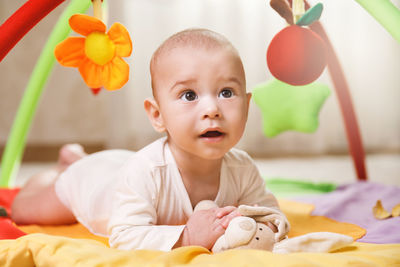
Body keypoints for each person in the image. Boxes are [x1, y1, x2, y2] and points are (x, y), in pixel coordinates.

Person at [11, 28, 289, 251]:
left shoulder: (243, 168)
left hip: (121, 167)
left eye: (226, 92)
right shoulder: (146, 171)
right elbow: (124, 236)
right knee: (24, 209)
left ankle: (77, 157)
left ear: (247, 106)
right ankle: (69, 164)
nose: (212, 109)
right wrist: (188, 236)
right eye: (189, 95)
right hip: (92, 184)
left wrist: (253, 223)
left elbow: (272, 215)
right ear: (157, 115)